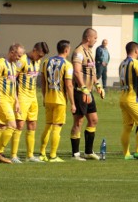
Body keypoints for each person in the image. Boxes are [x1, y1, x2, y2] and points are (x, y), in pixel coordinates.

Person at [70, 28, 104, 161]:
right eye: (95, 38)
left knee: (93, 120)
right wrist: (83, 87)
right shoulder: (78, 52)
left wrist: (98, 85)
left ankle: (88, 151)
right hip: (80, 92)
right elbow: (77, 72)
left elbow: (93, 72)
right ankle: (75, 154)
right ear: (88, 38)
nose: (96, 40)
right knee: (78, 121)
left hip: (89, 92)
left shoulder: (90, 52)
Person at [40, 40, 76, 162]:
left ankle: (42, 153)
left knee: (47, 125)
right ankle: (53, 155)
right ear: (66, 50)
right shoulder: (67, 65)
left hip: (49, 98)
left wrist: (44, 97)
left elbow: (43, 82)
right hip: (60, 100)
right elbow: (69, 85)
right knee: (57, 127)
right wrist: (73, 103)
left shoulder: (46, 62)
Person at [14, 41, 48, 162]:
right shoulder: (22, 60)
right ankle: (13, 155)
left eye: (42, 56)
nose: (40, 57)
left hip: (33, 97)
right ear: (34, 50)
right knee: (19, 125)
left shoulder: (38, 61)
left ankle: (30, 155)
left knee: (32, 124)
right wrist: (16, 98)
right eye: (39, 55)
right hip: (22, 96)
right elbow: (13, 79)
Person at [0, 43, 23, 164]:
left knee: (1, 127)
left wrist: (17, 101)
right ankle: (0, 153)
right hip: (1, 99)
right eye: (18, 55)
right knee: (12, 125)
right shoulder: (0, 64)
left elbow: (13, 85)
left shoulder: (13, 66)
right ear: (12, 52)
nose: (19, 58)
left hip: (10, 100)